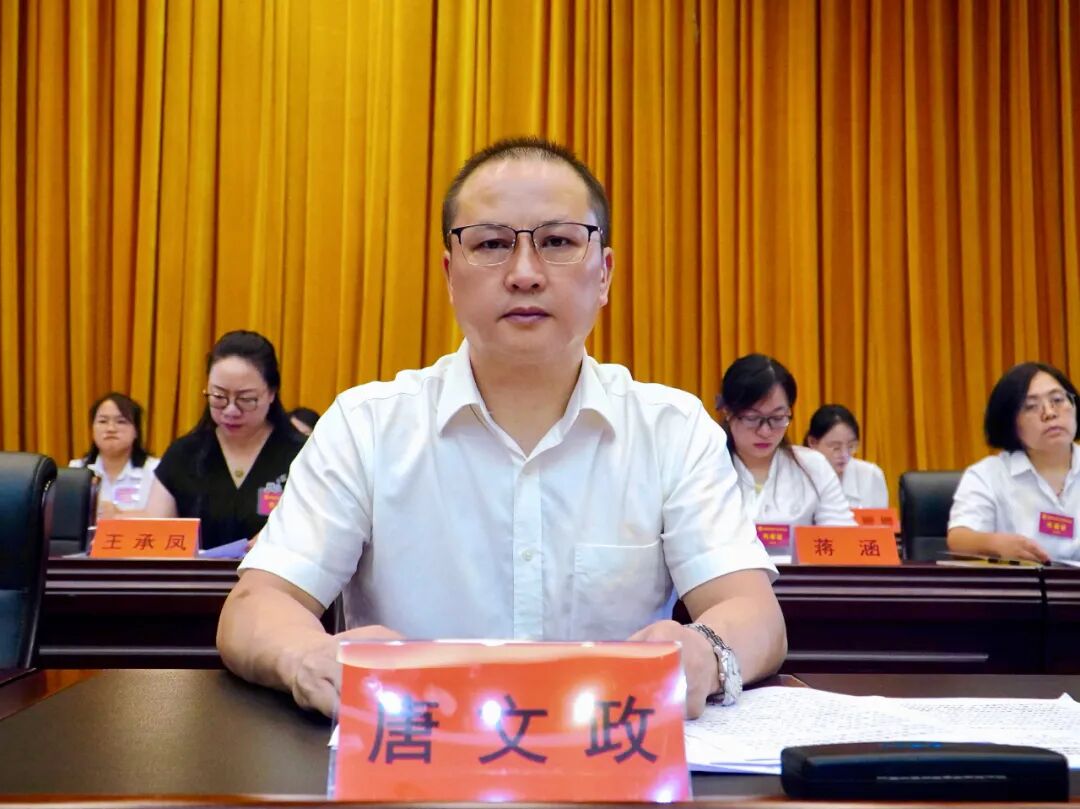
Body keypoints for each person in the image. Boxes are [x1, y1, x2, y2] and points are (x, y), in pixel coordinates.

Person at [219, 137, 786, 719]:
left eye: (558, 242)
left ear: (604, 274)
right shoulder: (366, 427)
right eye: (491, 244)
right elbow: (257, 603)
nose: (524, 273)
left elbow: (754, 611)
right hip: (415, 756)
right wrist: (307, 656)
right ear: (450, 274)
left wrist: (706, 651)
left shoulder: (672, 430)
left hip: (612, 757)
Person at [141, 331, 306, 549]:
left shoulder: (303, 456)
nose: (230, 410)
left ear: (272, 393)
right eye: (219, 396)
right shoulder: (184, 454)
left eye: (246, 399)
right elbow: (153, 538)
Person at [717, 355, 856, 554]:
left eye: (777, 418)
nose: (765, 431)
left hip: (800, 574)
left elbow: (844, 542)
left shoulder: (813, 466)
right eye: (752, 418)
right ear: (727, 412)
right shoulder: (705, 467)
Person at [948, 362, 1080, 563]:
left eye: (1057, 400)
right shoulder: (988, 475)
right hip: (1022, 582)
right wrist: (996, 545)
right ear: (1010, 422)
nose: (1050, 413)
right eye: (1031, 407)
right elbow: (959, 540)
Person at [69, 392, 159, 519]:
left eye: (121, 421)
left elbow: (163, 518)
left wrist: (119, 515)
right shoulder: (76, 470)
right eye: (103, 421)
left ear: (136, 431)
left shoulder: (155, 470)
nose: (111, 428)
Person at [805, 404, 889, 509]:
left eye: (851, 446)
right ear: (812, 442)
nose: (844, 455)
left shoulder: (870, 475)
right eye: (836, 447)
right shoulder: (797, 476)